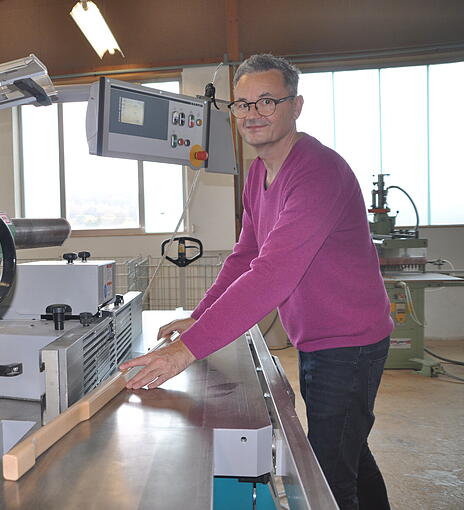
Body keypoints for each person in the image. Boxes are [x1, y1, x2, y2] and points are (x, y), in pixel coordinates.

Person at [119, 54, 393, 510]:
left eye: (267, 101)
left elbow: (273, 273)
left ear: (296, 105)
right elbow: (246, 255)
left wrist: (184, 351)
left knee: (326, 477)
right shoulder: (259, 173)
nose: (253, 114)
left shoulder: (318, 171)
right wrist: (199, 318)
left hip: (350, 344)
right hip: (317, 340)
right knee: (349, 447)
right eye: (242, 104)